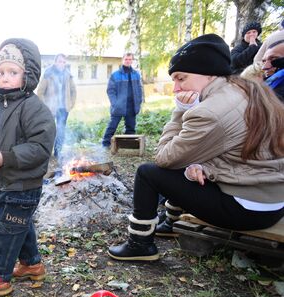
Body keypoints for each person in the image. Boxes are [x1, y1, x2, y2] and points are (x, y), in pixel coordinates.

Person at [107, 34, 284, 261]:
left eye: (181, 79)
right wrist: (205, 165)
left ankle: (140, 244)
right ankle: (171, 222)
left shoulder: (210, 112)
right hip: (272, 198)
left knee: (148, 173)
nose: (175, 89)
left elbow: (164, 157)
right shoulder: (242, 88)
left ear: (209, 74)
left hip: (248, 209)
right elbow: (232, 147)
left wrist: (181, 111)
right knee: (188, 161)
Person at [0, 38, 56, 297]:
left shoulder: (33, 108)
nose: (5, 78)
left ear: (27, 75)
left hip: (25, 183)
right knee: (19, 223)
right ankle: (32, 264)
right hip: (6, 180)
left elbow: (40, 147)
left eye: (13, 72)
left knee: (4, 230)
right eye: (1, 72)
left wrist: (6, 157)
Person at [36, 54, 76, 159]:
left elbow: (73, 91)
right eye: (59, 61)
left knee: (61, 131)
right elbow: (40, 92)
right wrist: (46, 107)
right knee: (48, 131)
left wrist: (70, 104)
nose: (62, 64)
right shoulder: (48, 74)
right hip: (50, 109)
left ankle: (58, 152)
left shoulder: (68, 75)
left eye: (63, 62)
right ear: (55, 62)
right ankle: (46, 152)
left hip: (64, 109)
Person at [102, 53, 143, 148]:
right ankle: (105, 144)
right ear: (122, 60)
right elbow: (110, 90)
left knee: (131, 127)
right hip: (118, 106)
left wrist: (139, 101)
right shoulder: (115, 75)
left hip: (132, 106)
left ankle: (127, 145)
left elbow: (139, 89)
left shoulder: (136, 74)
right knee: (112, 126)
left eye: (130, 59)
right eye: (126, 59)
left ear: (132, 61)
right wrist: (115, 103)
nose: (128, 61)